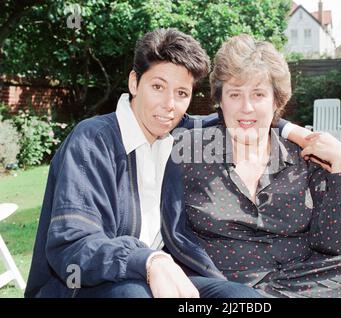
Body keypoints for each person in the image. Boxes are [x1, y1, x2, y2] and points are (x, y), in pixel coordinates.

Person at [25, 29, 310, 298]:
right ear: (134, 82)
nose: (169, 105)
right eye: (158, 87)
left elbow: (239, 116)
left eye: (181, 94)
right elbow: (71, 243)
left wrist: (293, 131)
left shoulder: (179, 133)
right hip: (86, 284)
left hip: (157, 275)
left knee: (242, 297)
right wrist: (148, 260)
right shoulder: (92, 141)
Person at [161, 34, 341, 298]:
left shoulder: (305, 156)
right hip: (225, 285)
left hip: (300, 279)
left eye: (258, 94)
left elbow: (334, 244)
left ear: (277, 101)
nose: (246, 107)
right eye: (234, 94)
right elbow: (156, 120)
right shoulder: (189, 149)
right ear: (220, 100)